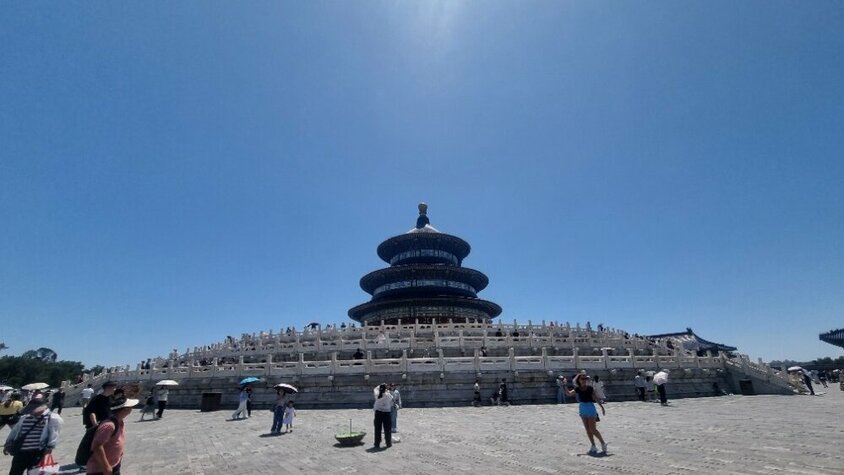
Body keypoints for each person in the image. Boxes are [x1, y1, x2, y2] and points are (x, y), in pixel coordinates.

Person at [2, 393, 62, 475]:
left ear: (43, 408)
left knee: (34, 473)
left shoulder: (52, 418)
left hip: (37, 453)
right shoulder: (25, 417)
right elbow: (15, 431)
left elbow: (53, 436)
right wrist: (8, 444)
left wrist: (47, 453)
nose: (32, 412)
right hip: (20, 452)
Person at [86, 395, 139, 475]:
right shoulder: (109, 425)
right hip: (100, 470)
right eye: (130, 406)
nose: (132, 408)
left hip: (114, 465)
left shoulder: (119, 422)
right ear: (125, 409)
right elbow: (97, 446)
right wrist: (106, 467)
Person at [564, 374, 607, 456]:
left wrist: (602, 407)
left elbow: (595, 398)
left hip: (590, 407)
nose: (584, 380)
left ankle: (602, 443)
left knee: (593, 429)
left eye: (585, 378)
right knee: (587, 429)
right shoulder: (577, 389)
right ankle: (593, 445)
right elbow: (569, 394)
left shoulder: (590, 388)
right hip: (582, 408)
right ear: (579, 380)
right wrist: (565, 385)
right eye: (582, 379)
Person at [372, 383, 393, 449]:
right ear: (385, 389)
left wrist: (381, 385)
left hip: (378, 412)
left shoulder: (377, 394)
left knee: (377, 429)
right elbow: (391, 398)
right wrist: (387, 389)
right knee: (387, 429)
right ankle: (388, 443)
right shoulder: (388, 395)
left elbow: (375, 389)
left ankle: (377, 443)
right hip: (386, 413)